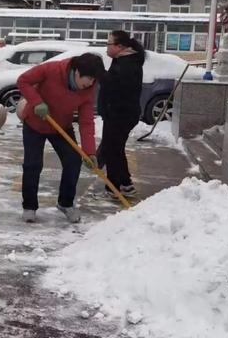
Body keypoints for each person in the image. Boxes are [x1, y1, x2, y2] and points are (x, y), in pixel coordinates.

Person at [17, 53, 105, 224]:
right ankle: (29, 207)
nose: (90, 83)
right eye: (88, 78)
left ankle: (65, 203)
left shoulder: (88, 89)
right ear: (77, 71)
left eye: (94, 80)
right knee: (33, 165)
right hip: (35, 124)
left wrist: (90, 152)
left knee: (73, 160)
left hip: (61, 127)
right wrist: (36, 102)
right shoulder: (52, 69)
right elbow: (23, 81)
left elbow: (86, 121)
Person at [97, 30, 145, 198]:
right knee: (116, 149)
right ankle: (125, 184)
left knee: (112, 150)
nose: (107, 47)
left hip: (120, 114)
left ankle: (114, 188)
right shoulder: (122, 60)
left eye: (109, 44)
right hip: (118, 113)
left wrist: (101, 75)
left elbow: (119, 89)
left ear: (120, 46)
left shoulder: (127, 64)